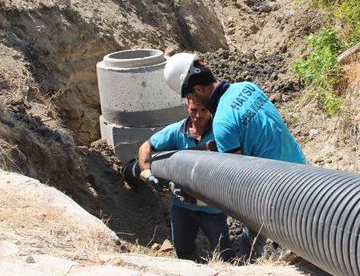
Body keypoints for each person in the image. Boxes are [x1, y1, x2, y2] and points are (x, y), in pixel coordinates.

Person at [163, 53, 306, 261]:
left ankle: (251, 267)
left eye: (190, 98)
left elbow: (237, 185)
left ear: (198, 89)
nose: (191, 103)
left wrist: (195, 197)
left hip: (275, 191)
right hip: (302, 170)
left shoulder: (222, 122)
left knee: (250, 244)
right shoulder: (248, 87)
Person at [130, 97, 236, 263]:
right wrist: (147, 172)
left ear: (210, 109)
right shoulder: (177, 131)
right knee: (183, 251)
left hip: (212, 209)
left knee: (225, 254)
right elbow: (146, 147)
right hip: (183, 207)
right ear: (187, 107)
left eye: (203, 110)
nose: (199, 115)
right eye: (194, 110)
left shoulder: (220, 131)